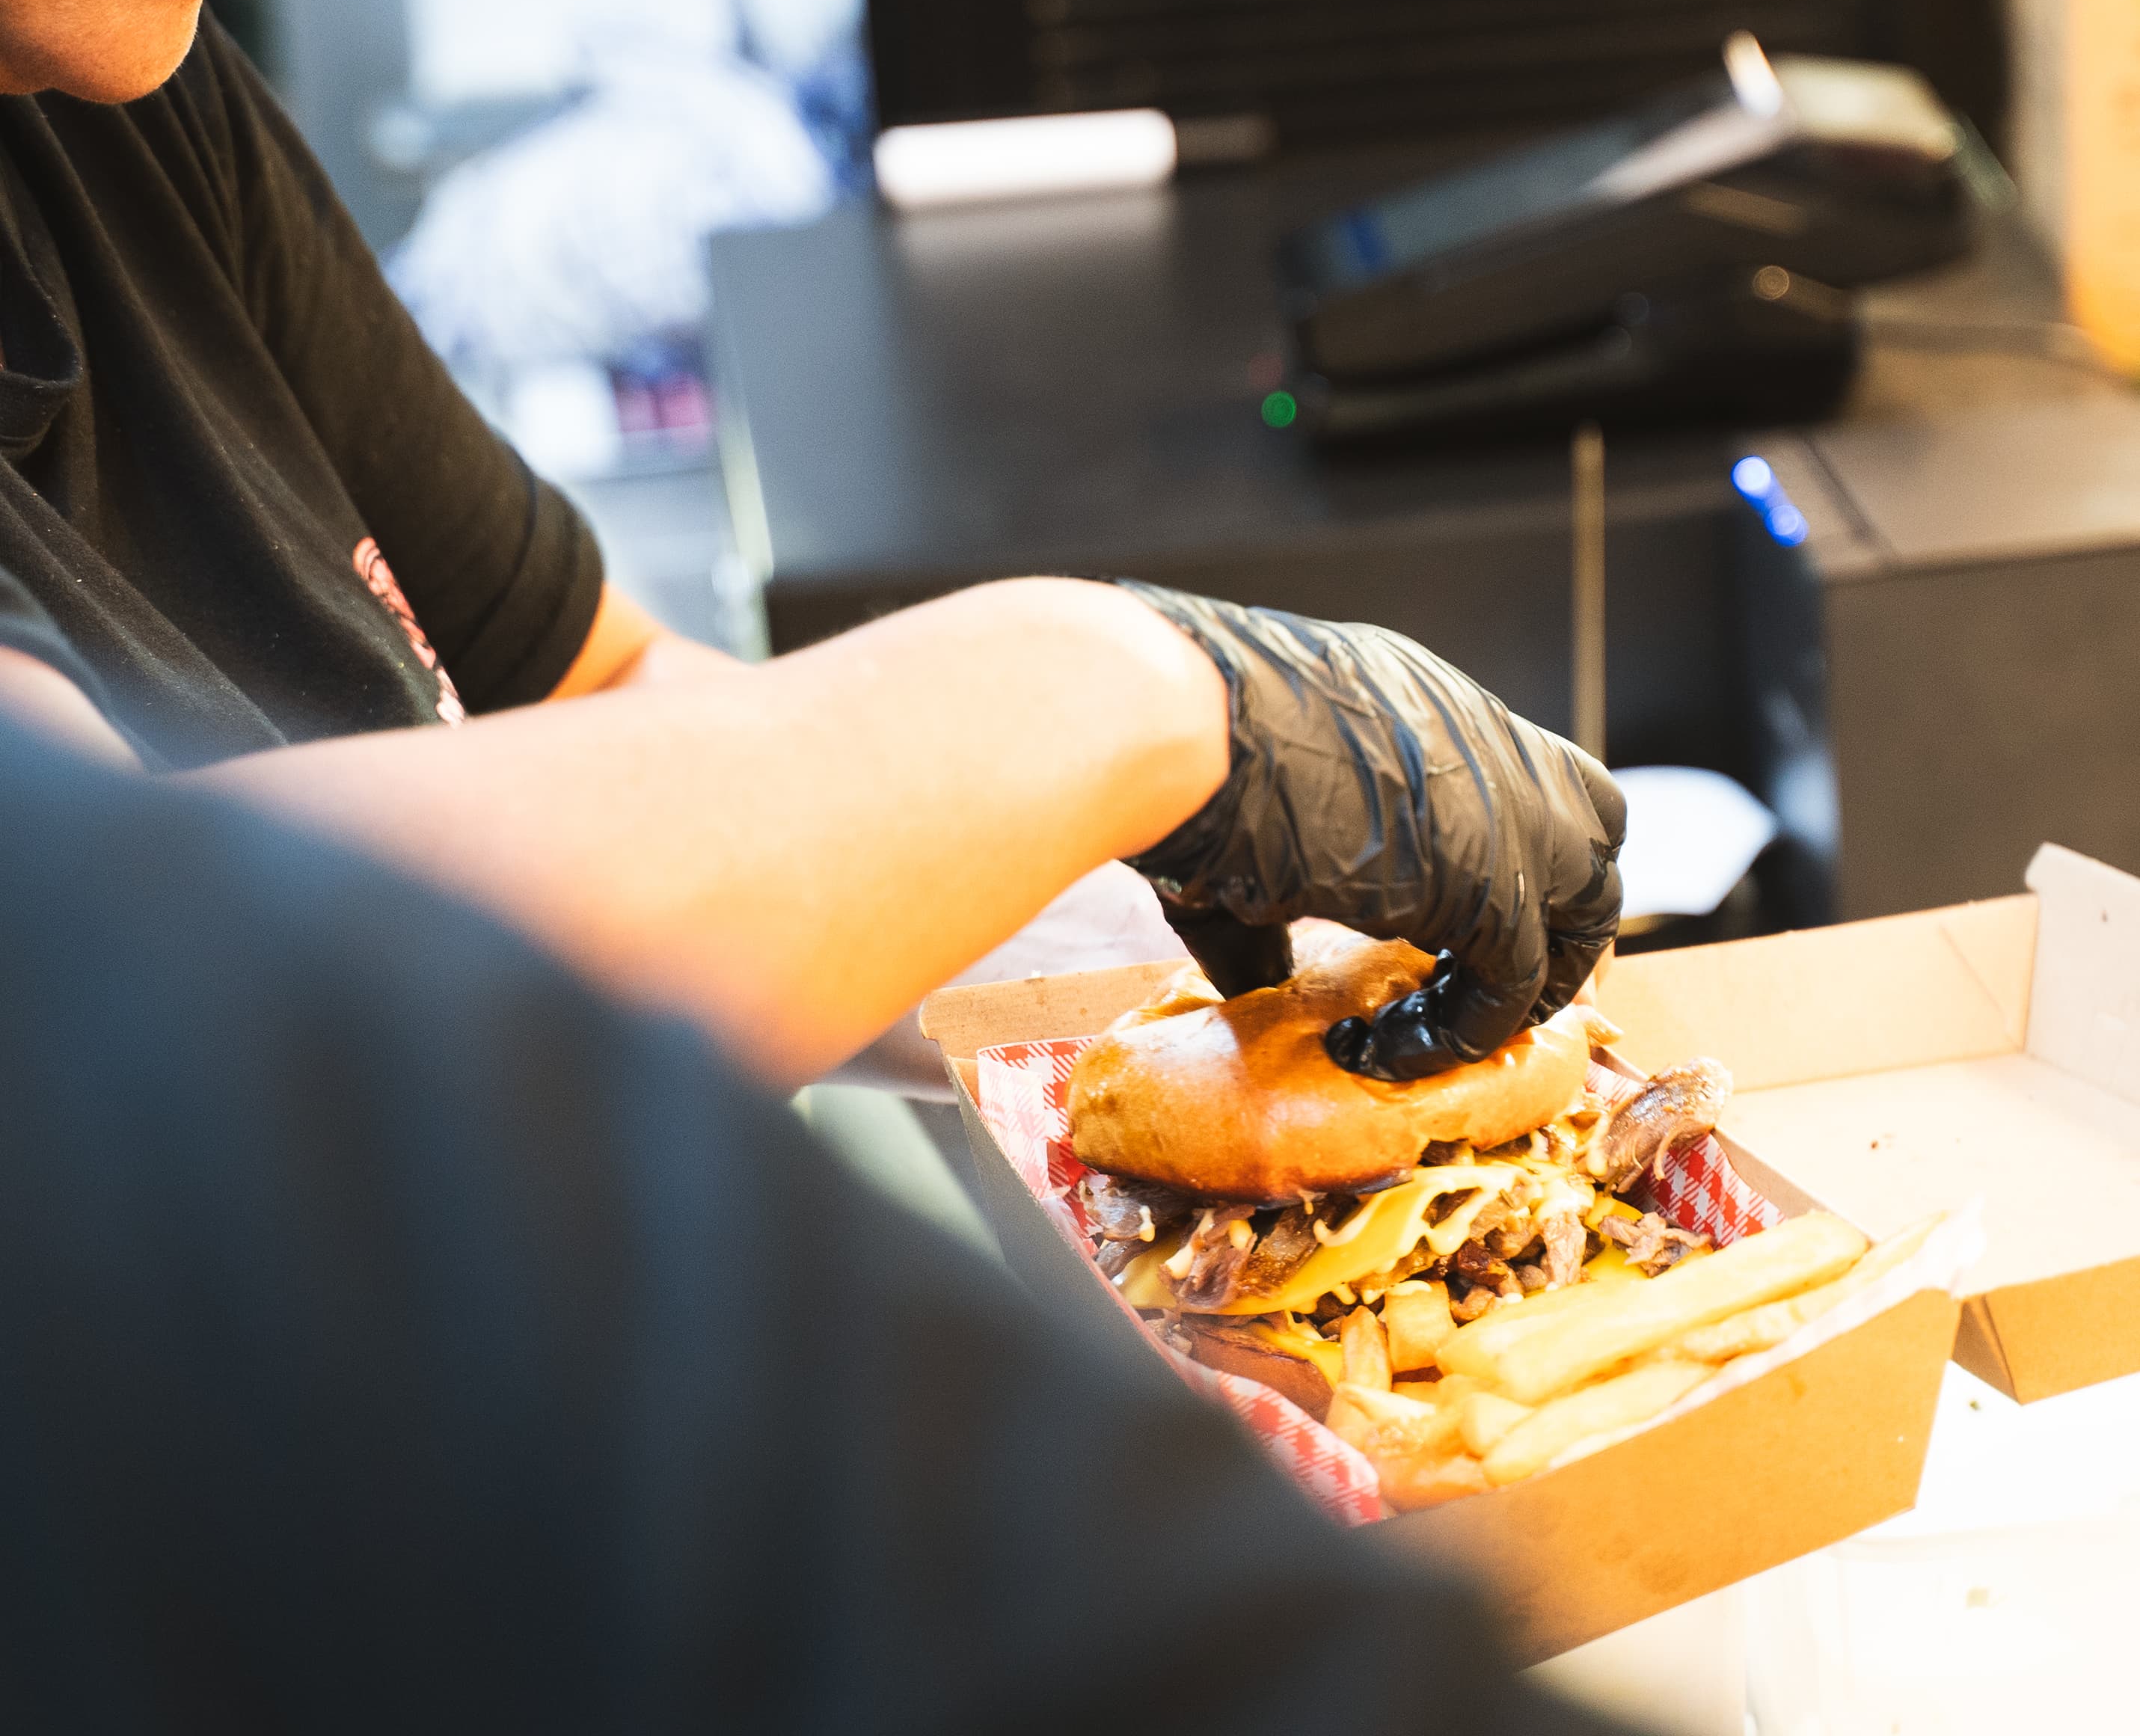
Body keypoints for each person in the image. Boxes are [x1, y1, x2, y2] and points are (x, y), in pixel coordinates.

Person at [0, 0, 1624, 1085]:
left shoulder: (115, 108)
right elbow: (161, 1012)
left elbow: (602, 685)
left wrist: (1142, 944)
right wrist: (1123, 695)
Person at [0, 711, 1635, 1732]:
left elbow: (622, 674)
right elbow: (204, 983)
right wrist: (1103, 693)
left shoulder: (160, 165)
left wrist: (1030, 861)